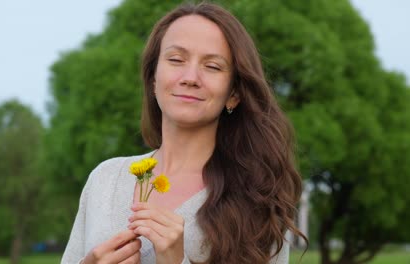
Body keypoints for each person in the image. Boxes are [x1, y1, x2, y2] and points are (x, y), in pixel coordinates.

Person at [61, 2, 306, 264]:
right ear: (154, 78)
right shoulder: (104, 181)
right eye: (176, 60)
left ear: (233, 94)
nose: (190, 77)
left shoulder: (258, 199)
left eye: (212, 66)